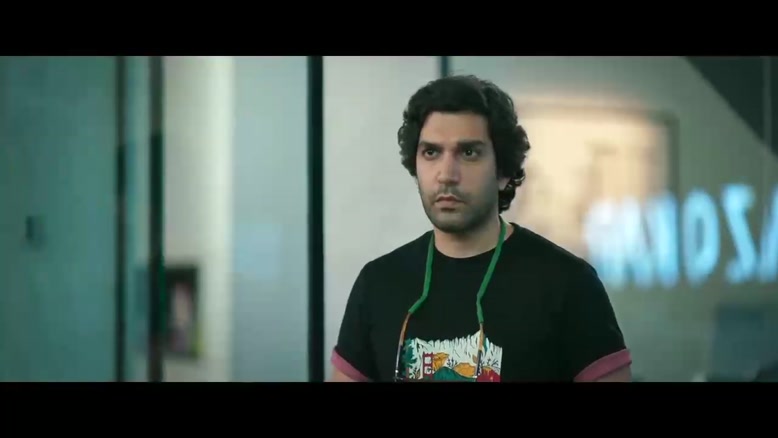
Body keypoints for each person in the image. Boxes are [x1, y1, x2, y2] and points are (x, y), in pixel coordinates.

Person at [330, 75, 632, 382]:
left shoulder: (568, 284)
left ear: (503, 172)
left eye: (468, 153)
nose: (446, 174)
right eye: (431, 152)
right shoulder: (378, 283)